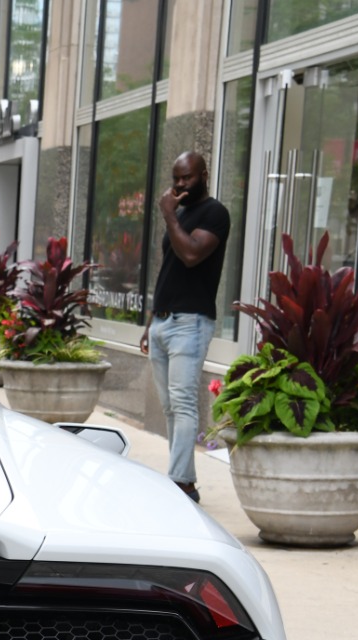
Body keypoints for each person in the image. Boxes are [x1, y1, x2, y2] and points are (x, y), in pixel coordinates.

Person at [140, 151, 230, 504]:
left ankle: (177, 483)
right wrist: (151, 321)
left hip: (190, 323)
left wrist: (167, 215)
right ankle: (186, 482)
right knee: (169, 406)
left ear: (204, 175)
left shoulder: (214, 213)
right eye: (176, 178)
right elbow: (170, 271)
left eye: (187, 178)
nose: (179, 185)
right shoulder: (181, 214)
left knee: (183, 403)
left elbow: (192, 254)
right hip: (165, 322)